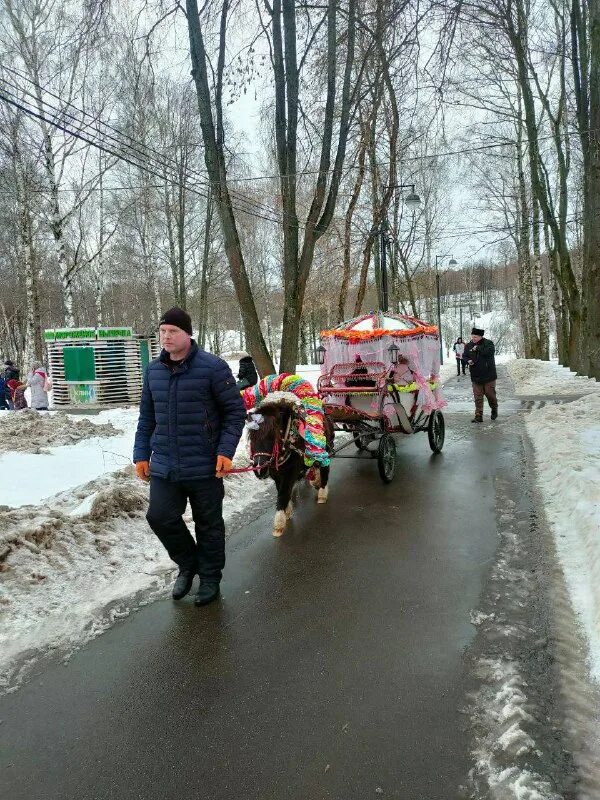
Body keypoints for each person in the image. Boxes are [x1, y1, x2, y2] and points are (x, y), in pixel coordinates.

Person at [133, 307, 246, 607]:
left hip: (205, 465)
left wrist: (225, 451)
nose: (166, 337)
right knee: (159, 516)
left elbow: (235, 413)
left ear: (188, 334)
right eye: (162, 331)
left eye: (173, 331)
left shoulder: (213, 368)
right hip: (165, 465)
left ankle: (210, 578)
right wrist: (141, 454)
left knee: (208, 523)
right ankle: (188, 563)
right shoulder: (153, 371)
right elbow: (146, 418)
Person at [463, 327, 498, 423]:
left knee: (490, 395)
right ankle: (478, 415)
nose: (473, 339)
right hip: (476, 376)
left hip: (489, 376)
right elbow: (464, 355)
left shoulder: (488, 343)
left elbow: (489, 352)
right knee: (478, 397)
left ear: (480, 337)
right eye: (472, 336)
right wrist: (468, 360)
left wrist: (478, 348)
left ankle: (494, 408)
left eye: (475, 337)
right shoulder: (469, 345)